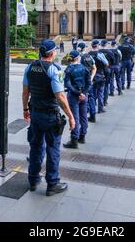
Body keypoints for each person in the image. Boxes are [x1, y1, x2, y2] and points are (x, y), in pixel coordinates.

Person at [23, 40, 75, 197]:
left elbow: (26, 92)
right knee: (52, 149)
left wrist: (25, 109)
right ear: (52, 53)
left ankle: (33, 180)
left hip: (35, 114)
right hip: (51, 115)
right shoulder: (54, 70)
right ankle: (52, 183)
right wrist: (71, 116)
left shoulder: (29, 67)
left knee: (36, 147)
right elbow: (60, 96)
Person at [63, 51, 91, 149]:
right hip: (84, 95)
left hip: (73, 96)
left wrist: (78, 93)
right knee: (83, 116)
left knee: (75, 117)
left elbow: (67, 84)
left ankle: (74, 140)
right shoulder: (85, 68)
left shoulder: (69, 69)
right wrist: (83, 93)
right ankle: (82, 136)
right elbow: (89, 82)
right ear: (78, 58)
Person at [78, 42, 97, 123]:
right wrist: (91, 77)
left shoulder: (78, 57)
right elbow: (94, 68)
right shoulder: (88, 56)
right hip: (89, 81)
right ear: (84, 48)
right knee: (91, 98)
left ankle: (82, 117)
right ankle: (93, 115)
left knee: (82, 100)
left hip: (81, 82)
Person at [89, 40, 109, 114]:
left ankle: (92, 108)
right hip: (100, 74)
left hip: (91, 75)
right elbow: (106, 63)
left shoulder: (89, 54)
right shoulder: (99, 54)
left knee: (93, 93)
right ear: (97, 45)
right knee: (100, 92)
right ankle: (100, 108)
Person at [99, 40, 115, 106]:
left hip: (100, 70)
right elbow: (113, 61)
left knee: (99, 86)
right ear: (106, 44)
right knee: (106, 85)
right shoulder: (109, 52)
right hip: (107, 70)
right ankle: (105, 100)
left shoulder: (98, 52)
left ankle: (100, 100)